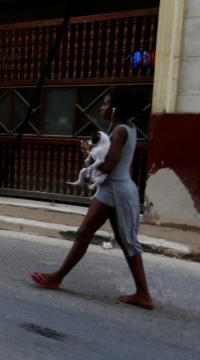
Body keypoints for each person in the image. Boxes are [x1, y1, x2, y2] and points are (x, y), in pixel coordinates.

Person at [30, 87, 154, 310]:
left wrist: (89, 154)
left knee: (92, 234)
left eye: (105, 104)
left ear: (115, 109)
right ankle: (143, 293)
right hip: (117, 189)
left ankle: (57, 277)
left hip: (114, 190)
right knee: (121, 241)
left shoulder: (120, 132)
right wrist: (92, 153)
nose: (102, 107)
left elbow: (107, 166)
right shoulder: (128, 129)